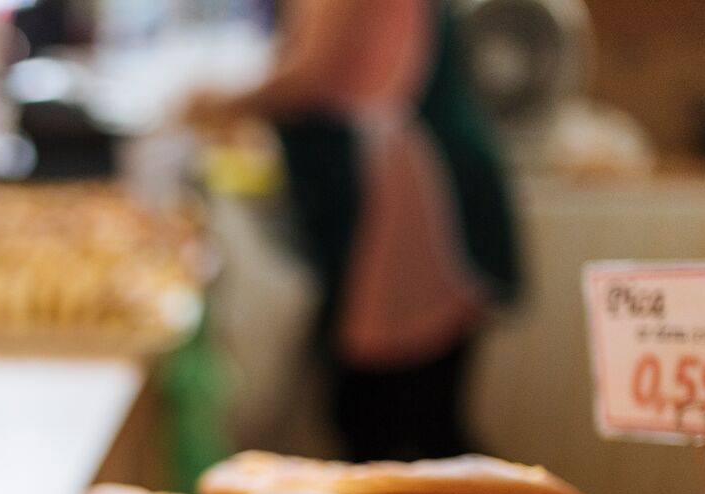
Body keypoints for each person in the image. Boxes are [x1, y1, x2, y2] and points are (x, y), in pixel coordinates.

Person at [185, 0, 519, 462]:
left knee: (400, 419)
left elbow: (309, 75)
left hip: (413, 197)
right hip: (397, 185)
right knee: (398, 418)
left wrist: (212, 102)